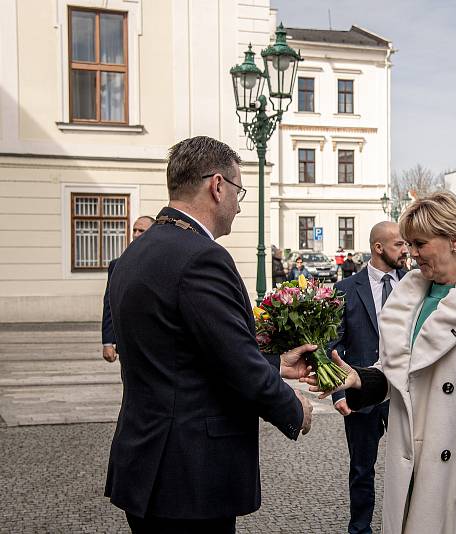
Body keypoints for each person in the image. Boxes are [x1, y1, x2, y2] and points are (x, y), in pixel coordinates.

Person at [105, 136, 315, 533]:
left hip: (146, 461)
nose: (239, 203)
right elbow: (236, 366)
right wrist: (293, 408)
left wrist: (275, 364)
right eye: (239, 190)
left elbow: (187, 354)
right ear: (217, 186)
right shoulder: (201, 257)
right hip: (189, 474)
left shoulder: (136, 252)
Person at [308, 191, 456, 534]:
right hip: (408, 462)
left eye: (420, 243)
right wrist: (359, 380)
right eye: (409, 243)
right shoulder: (410, 299)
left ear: (454, 240)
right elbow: (398, 375)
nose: (412, 252)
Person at [330, 221, 408, 534]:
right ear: (378, 248)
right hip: (361, 393)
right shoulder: (346, 289)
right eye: (399, 245)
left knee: (409, 464)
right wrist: (338, 394)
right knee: (362, 469)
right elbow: (333, 345)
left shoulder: (414, 285)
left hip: (403, 393)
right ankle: (360, 529)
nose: (405, 251)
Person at [101, 216, 154, 363]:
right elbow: (110, 304)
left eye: (141, 230)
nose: (136, 234)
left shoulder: (163, 263)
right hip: (127, 344)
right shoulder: (117, 265)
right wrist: (107, 342)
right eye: (134, 230)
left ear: (153, 233)